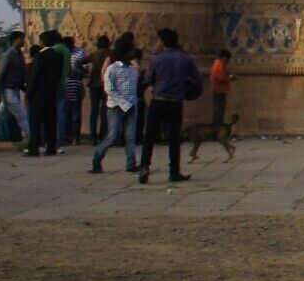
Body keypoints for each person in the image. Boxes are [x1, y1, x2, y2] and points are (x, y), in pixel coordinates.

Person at [138, 27, 204, 184]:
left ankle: (145, 167)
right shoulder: (186, 59)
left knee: (150, 136)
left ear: (162, 42)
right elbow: (197, 79)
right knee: (174, 138)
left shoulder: (156, 59)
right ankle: (174, 171)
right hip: (175, 103)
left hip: (158, 101)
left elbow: (148, 79)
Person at [89, 35, 143, 174]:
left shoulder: (131, 68)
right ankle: (97, 158)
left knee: (130, 137)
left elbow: (133, 86)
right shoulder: (113, 68)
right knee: (112, 136)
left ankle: (131, 163)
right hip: (116, 107)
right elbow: (109, 89)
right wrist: (124, 103)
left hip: (131, 106)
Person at [23, 29, 64, 157]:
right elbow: (58, 75)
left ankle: (33, 148)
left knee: (36, 122)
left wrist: (28, 93)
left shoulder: (40, 56)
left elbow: (34, 76)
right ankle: (51, 148)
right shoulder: (58, 56)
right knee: (50, 122)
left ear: (42, 42)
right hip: (52, 92)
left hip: (38, 94)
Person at [208, 48, 234, 128]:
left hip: (219, 90)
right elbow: (220, 78)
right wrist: (230, 77)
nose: (227, 61)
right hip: (219, 91)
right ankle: (216, 129)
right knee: (218, 111)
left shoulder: (218, 65)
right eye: (227, 59)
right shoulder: (218, 66)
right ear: (224, 57)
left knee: (219, 111)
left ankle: (218, 129)